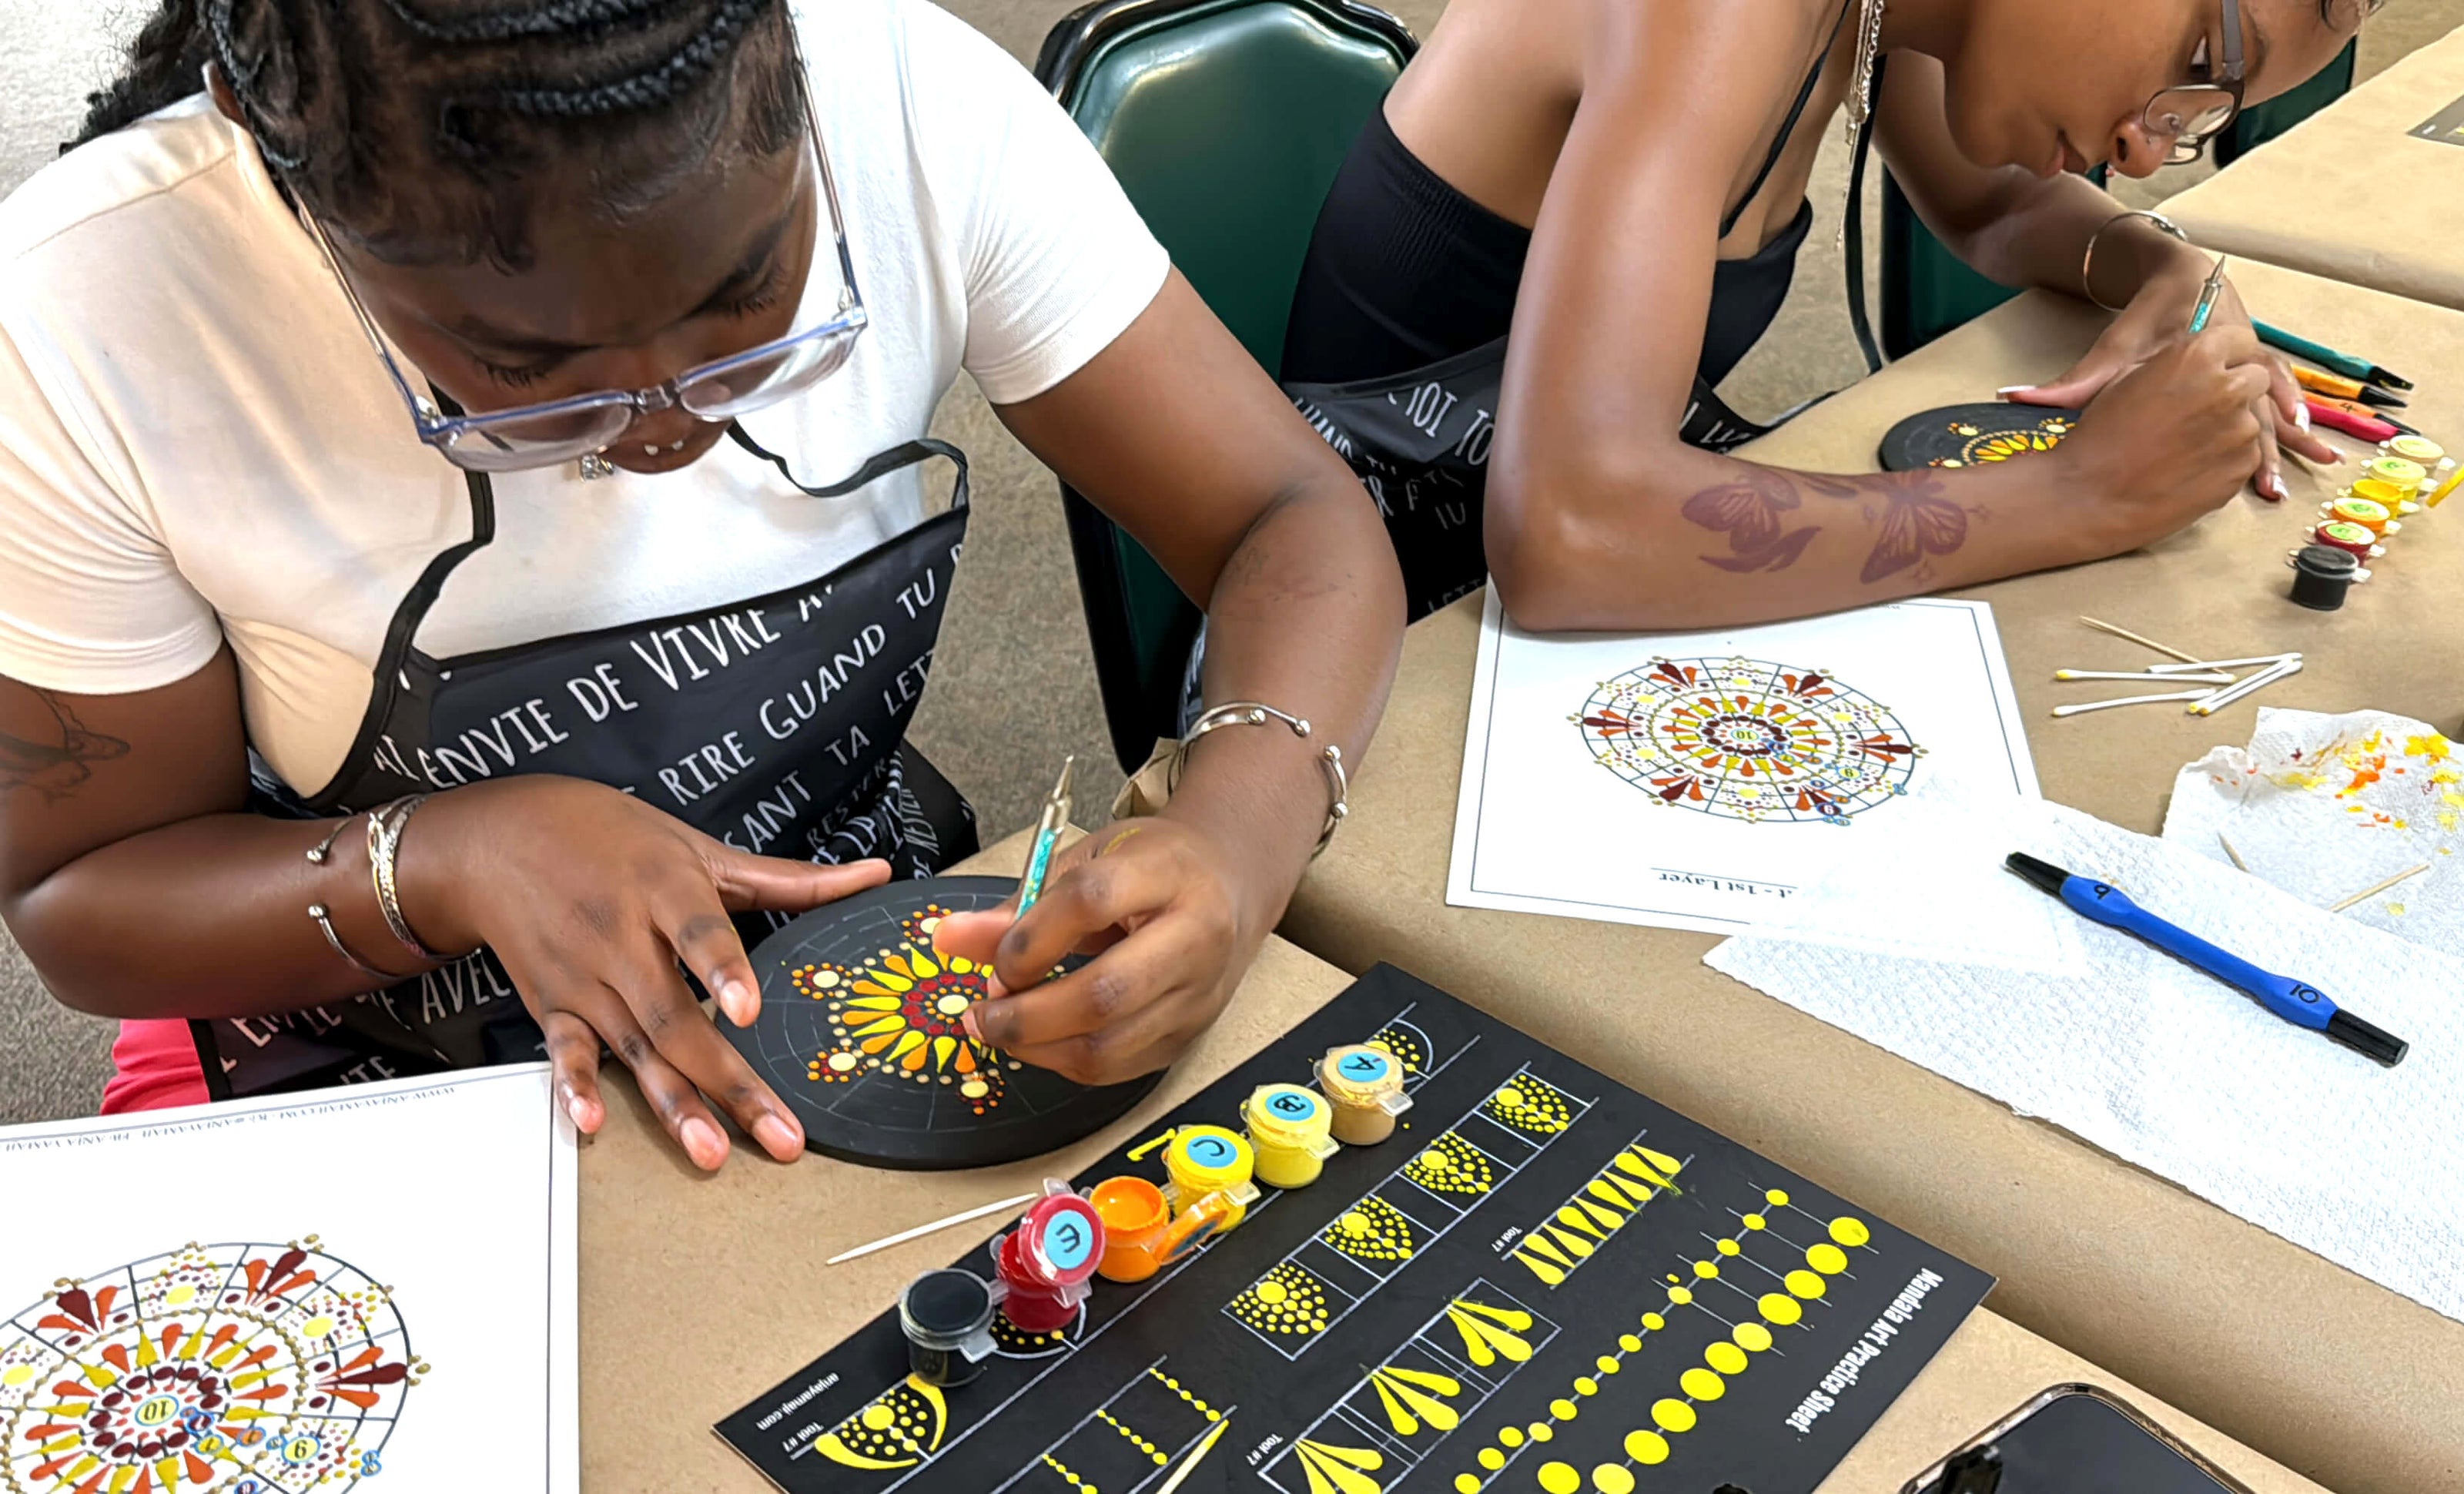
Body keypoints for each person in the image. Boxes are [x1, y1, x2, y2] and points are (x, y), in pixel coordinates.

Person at [0, 0, 1403, 1167]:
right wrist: (442, 860)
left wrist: (1237, 834)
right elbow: (79, 897)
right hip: (369, 1039)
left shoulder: (906, 105)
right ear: (288, 178)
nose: (670, 431)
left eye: (751, 301)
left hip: (849, 971)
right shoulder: (91, 313)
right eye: (529, 380)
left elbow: (1292, 517)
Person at [1280, 0, 2368, 626]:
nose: (2145, 148)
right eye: (2202, 63)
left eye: (2206, 116)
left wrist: (2160, 263)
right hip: (1370, 639)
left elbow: (1990, 202)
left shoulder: (1875, 12)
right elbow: (1573, 529)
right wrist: (2081, 492)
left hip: (1543, 597)